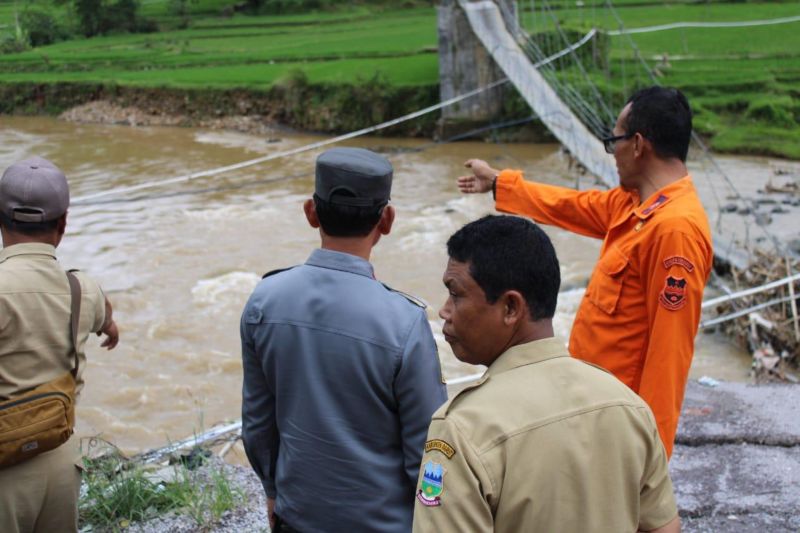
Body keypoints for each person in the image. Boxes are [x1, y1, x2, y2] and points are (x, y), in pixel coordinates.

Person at [456, 86, 712, 457]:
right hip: (588, 408)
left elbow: (668, 356)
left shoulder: (675, 230)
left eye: (614, 141)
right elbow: (573, 206)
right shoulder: (634, 203)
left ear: (638, 144)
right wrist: (500, 183)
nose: (613, 154)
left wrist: (651, 460)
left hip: (617, 425)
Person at [413, 214, 680, 533]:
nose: (444, 310)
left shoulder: (463, 428)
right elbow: (663, 527)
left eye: (455, 294)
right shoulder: (628, 406)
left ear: (511, 308)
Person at [240, 147, 447, 532]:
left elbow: (257, 425)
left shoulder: (264, 301)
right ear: (387, 219)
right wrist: (433, 514)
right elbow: (428, 449)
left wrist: (273, 491)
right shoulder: (404, 322)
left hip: (296, 518)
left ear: (310, 212)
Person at [0, 156, 119, 532]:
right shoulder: (81, 287)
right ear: (63, 224)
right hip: (59, 460)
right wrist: (110, 328)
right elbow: (107, 318)